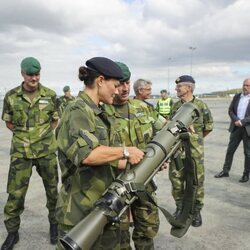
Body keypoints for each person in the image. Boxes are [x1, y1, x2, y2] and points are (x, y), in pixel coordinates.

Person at [55, 57, 144, 250]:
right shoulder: (77, 110)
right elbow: (88, 155)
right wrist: (127, 151)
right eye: (115, 84)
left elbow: (106, 161)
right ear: (101, 80)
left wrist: (143, 162)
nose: (118, 90)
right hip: (80, 213)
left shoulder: (99, 112)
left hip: (103, 208)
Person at [104, 62, 166, 250]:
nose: (124, 89)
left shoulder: (143, 108)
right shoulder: (101, 112)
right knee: (119, 238)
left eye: (127, 83)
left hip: (144, 184)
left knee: (147, 231)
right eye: (120, 83)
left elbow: (163, 129)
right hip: (115, 186)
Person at [1, 57, 59, 250]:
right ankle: (12, 232)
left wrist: (41, 137)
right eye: (30, 74)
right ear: (22, 74)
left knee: (52, 192)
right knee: (15, 194)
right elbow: (9, 122)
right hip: (21, 153)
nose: (34, 78)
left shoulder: (50, 95)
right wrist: (25, 137)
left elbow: (54, 120)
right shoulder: (11, 96)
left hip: (46, 152)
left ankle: (54, 225)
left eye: (37, 74)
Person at [169, 75, 213, 227]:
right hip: (176, 150)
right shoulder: (175, 106)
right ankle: (180, 207)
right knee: (176, 180)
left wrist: (195, 139)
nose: (176, 89)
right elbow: (169, 128)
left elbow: (208, 126)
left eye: (179, 86)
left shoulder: (201, 105)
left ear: (188, 88)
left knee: (196, 181)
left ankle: (196, 211)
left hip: (195, 152)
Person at [214, 78, 250, 182]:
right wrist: (236, 120)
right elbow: (230, 110)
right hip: (236, 128)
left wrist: (242, 122)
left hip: (247, 129)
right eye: (244, 85)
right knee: (230, 150)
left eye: (248, 85)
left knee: (248, 153)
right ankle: (225, 171)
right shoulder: (237, 96)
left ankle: (246, 174)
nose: (245, 87)